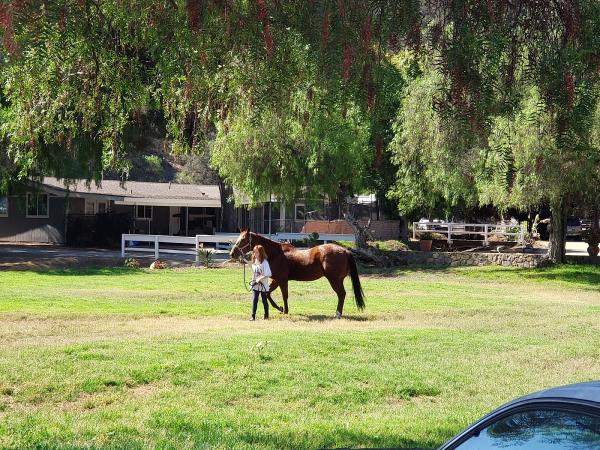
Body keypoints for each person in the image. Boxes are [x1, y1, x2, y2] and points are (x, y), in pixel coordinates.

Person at [250, 245, 271, 321]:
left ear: (260, 253)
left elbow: (268, 273)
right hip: (255, 285)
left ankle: (266, 316)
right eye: (254, 252)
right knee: (254, 300)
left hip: (263, 285)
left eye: (256, 252)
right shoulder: (254, 261)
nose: (254, 254)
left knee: (264, 300)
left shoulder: (265, 262)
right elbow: (254, 272)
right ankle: (253, 316)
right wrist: (254, 281)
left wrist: (260, 278)